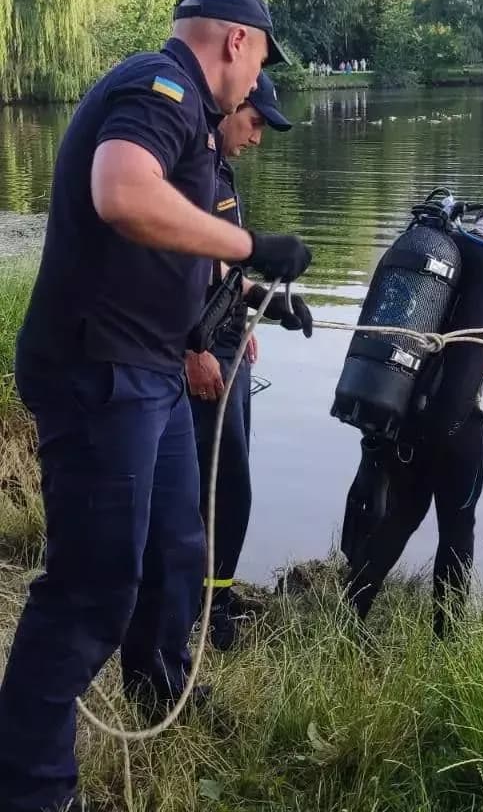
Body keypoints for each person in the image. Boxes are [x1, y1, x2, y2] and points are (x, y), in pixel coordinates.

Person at [0, 0, 312, 812]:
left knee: (176, 542)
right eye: (257, 67)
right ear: (237, 44)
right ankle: (33, 786)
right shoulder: (160, 86)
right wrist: (252, 245)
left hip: (152, 370)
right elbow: (121, 193)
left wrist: (254, 293)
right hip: (99, 371)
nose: (254, 89)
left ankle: (155, 684)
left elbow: (174, 256)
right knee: (90, 587)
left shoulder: (201, 134)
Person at [341, 195, 483, 638]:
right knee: (457, 529)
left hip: (404, 417)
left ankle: (347, 620)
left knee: (402, 516)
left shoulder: (438, 255)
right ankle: (447, 642)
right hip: (457, 430)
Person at [186, 71, 312, 651]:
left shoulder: (222, 174)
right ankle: (208, 608)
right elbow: (177, 272)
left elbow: (224, 273)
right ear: (232, 107)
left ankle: (218, 594)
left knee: (232, 482)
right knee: (223, 486)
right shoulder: (191, 174)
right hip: (207, 356)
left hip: (232, 346)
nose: (258, 136)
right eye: (256, 121)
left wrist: (269, 305)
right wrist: (196, 349)